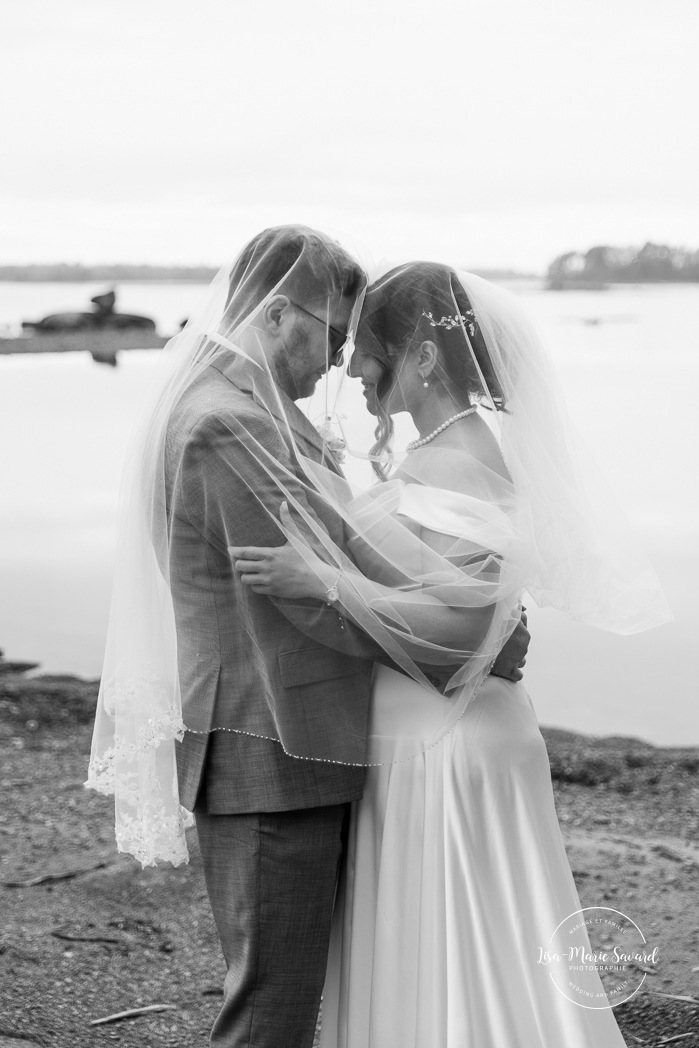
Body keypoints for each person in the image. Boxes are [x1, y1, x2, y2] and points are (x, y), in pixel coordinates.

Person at [86, 230, 528, 1048]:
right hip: (270, 746)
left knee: (290, 999)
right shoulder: (227, 423)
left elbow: (338, 555)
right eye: (330, 335)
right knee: (271, 1014)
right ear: (278, 312)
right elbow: (328, 577)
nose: (338, 363)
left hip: (290, 743)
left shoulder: (245, 410)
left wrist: (472, 614)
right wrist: (477, 635)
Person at [230, 261, 671, 1047]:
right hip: (438, 737)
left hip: (441, 747)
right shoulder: (444, 449)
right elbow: (473, 608)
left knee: (449, 963)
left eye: (367, 351)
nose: (354, 371)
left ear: (424, 359)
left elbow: (465, 633)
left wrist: (320, 580)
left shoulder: (460, 460)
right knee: (454, 962)